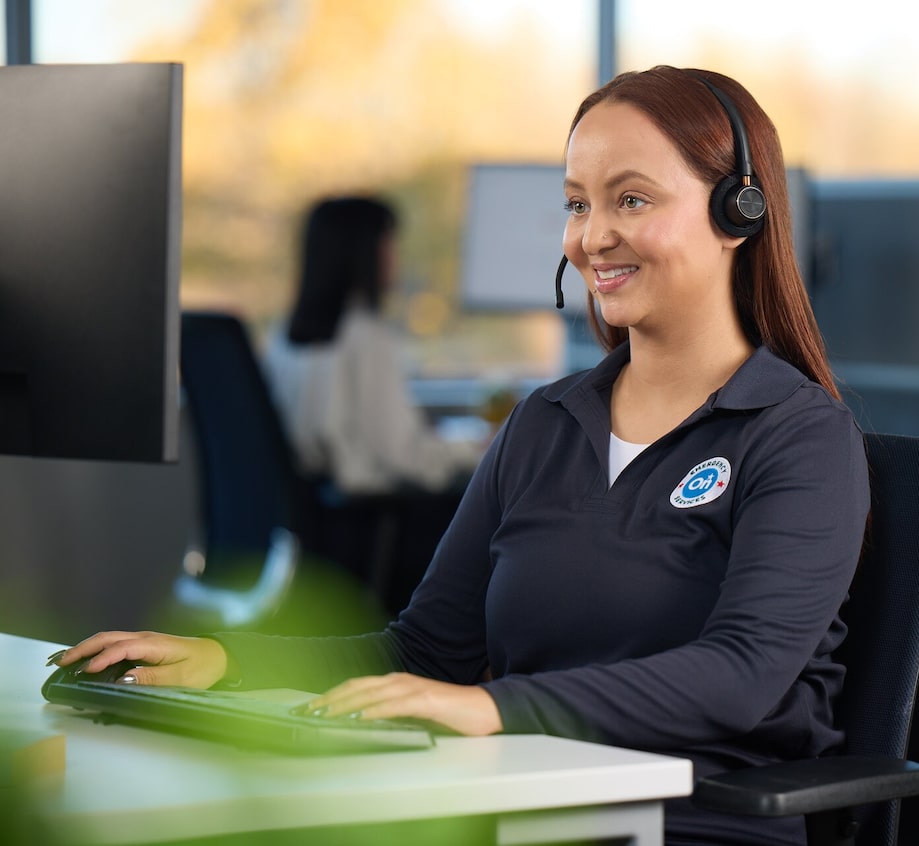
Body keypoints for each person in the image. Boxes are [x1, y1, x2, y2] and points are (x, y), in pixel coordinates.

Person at [54, 66, 870, 846]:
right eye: (577, 204)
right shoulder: (544, 425)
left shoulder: (797, 435)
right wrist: (232, 661)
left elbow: (742, 674)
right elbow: (423, 653)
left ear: (739, 212)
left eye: (631, 199)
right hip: (509, 802)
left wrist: (497, 709)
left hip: (688, 820)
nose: (592, 237)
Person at [262, 195, 482, 496]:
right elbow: (405, 454)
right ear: (364, 253)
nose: (396, 257)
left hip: (312, 513)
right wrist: (481, 449)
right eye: (389, 243)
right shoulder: (366, 337)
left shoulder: (283, 335)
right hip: (371, 515)